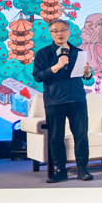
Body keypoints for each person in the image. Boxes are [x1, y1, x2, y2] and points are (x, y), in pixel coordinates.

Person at [32, 19, 94, 183]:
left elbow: (85, 76)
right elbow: (38, 76)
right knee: (56, 137)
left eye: (62, 30)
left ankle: (82, 168)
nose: (59, 34)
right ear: (50, 34)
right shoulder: (43, 53)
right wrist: (56, 66)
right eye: (55, 31)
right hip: (55, 100)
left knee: (81, 135)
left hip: (77, 99)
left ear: (69, 32)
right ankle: (60, 170)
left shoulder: (78, 52)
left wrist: (87, 73)